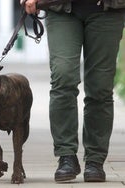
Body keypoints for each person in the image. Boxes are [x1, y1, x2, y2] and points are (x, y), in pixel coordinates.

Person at [22, 0, 125, 183]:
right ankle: (66, 155)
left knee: (100, 86)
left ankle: (95, 159)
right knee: (63, 77)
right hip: (60, 8)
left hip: (108, 10)